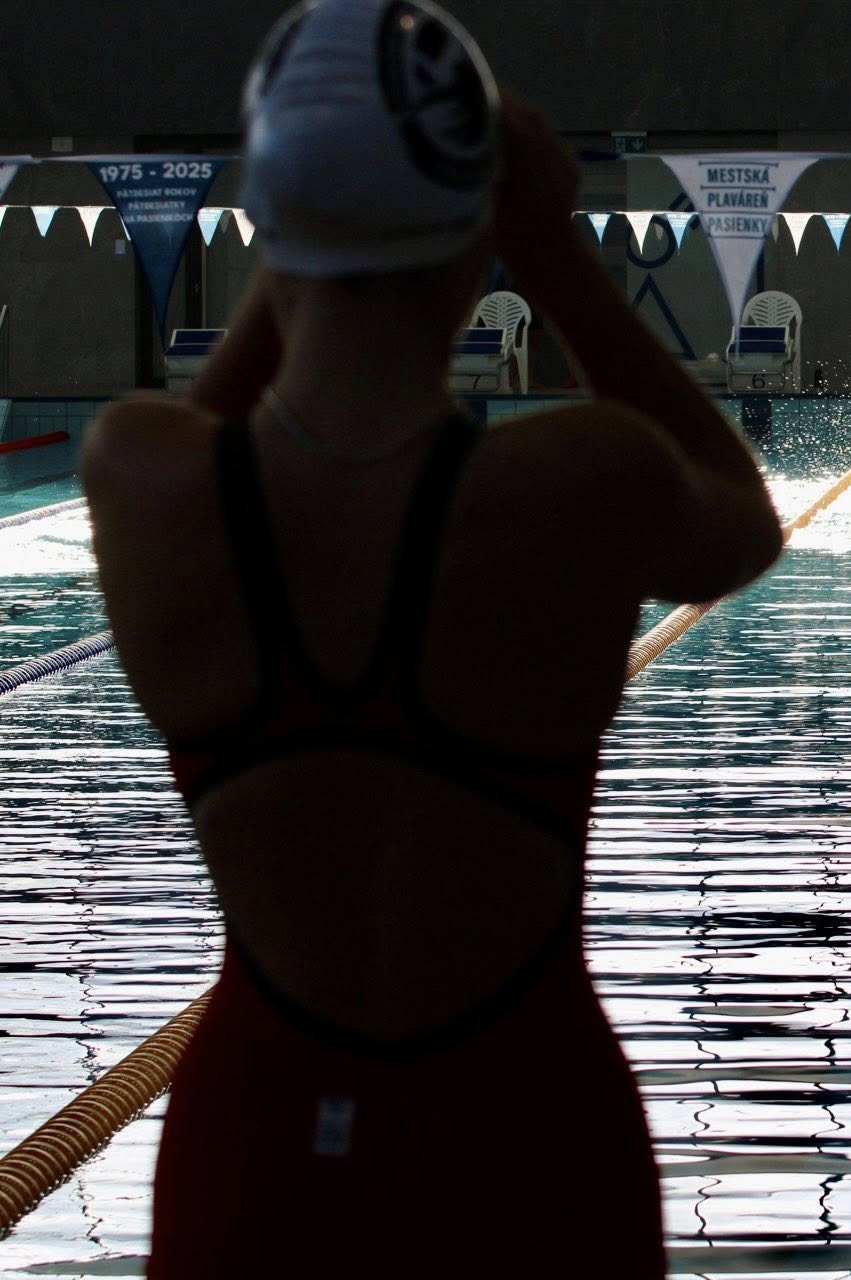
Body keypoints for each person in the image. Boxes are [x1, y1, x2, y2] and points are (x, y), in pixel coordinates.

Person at [80, 2, 782, 1275]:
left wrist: (301, 236)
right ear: (479, 237)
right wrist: (553, 250)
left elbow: (216, 421)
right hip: (525, 1130)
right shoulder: (582, 480)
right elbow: (741, 523)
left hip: (259, 1137)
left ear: (267, 228)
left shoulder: (143, 483)